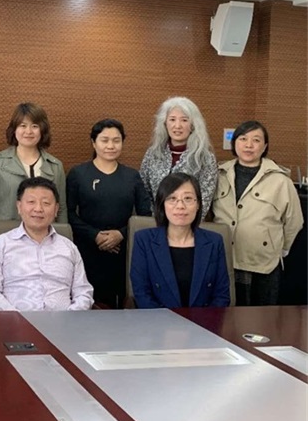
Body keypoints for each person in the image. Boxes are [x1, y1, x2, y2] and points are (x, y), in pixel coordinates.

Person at [212, 121, 303, 306]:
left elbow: (294, 221)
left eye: (256, 140)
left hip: (263, 264)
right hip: (225, 260)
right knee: (225, 316)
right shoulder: (218, 175)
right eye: (243, 139)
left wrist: (280, 249)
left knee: (260, 318)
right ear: (234, 143)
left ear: (265, 146)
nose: (249, 145)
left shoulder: (280, 181)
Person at [66, 119, 152, 308]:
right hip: (87, 250)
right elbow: (68, 213)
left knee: (119, 306)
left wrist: (121, 234)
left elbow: (145, 216)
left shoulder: (132, 176)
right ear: (93, 142)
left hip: (123, 252)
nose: (111, 146)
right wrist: (95, 235)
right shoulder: (78, 174)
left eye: (116, 140)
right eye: (104, 140)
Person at [0, 177, 93, 311]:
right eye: (31, 202)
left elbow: (83, 292)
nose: (38, 209)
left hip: (64, 321)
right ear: (19, 207)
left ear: (56, 209)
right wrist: (15, 316)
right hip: (14, 321)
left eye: (46, 203)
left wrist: (71, 316)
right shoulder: (0, 244)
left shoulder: (69, 248)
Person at [130, 172, 230, 308]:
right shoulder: (144, 240)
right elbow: (142, 294)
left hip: (204, 319)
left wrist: (202, 320)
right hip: (157, 319)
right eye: (172, 198)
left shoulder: (214, 241)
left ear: (198, 204)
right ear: (162, 204)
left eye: (188, 198)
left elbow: (222, 295)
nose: (180, 206)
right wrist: (169, 321)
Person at [0, 102, 67, 222]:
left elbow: (61, 208)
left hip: (43, 232)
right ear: (14, 129)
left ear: (42, 130)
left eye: (35, 126)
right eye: (23, 125)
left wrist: (62, 233)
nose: (28, 131)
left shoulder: (55, 166)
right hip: (5, 231)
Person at [140, 96, 217, 217]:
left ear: (193, 125)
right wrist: (157, 218)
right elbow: (144, 190)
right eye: (172, 119)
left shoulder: (205, 158)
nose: (177, 126)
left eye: (184, 120)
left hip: (188, 223)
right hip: (155, 221)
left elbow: (204, 200)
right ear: (165, 123)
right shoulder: (153, 153)